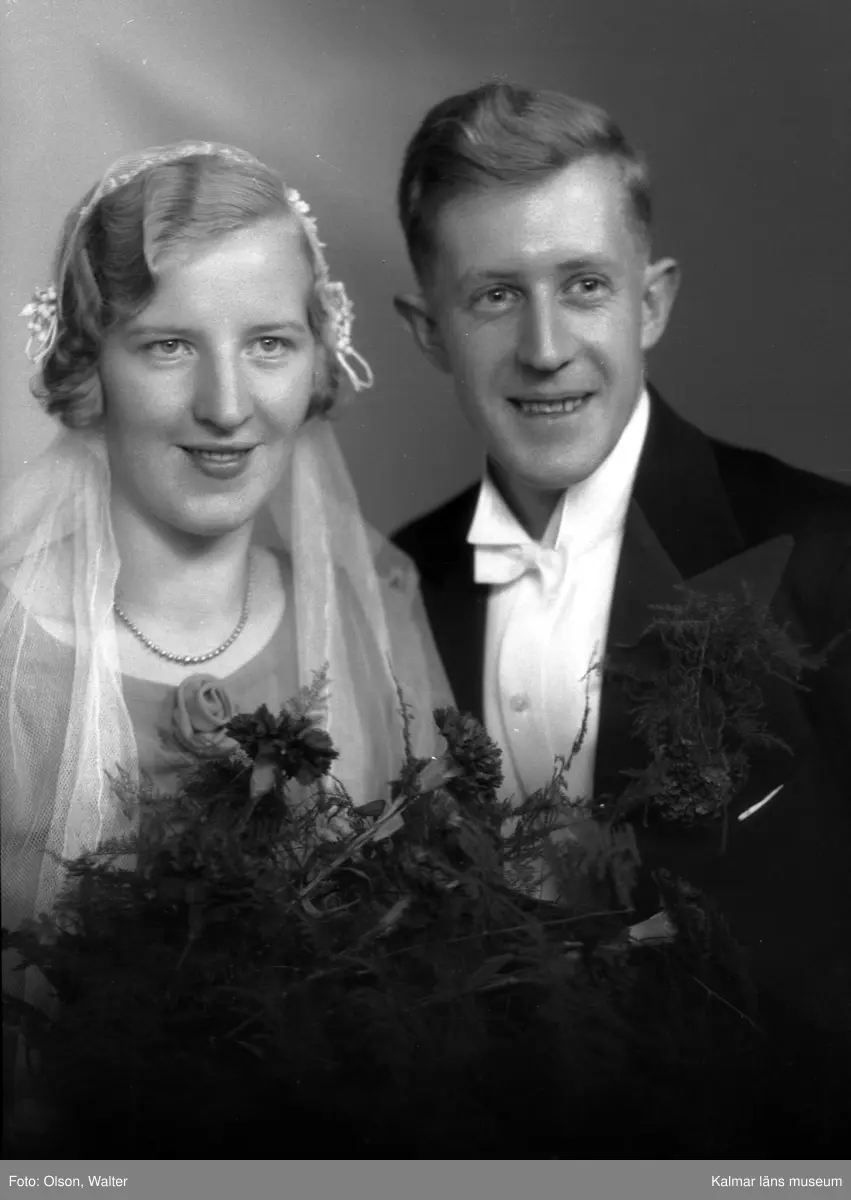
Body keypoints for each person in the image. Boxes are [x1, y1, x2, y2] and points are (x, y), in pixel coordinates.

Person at [391, 83, 851, 1049]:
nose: (544, 349)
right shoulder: (394, 584)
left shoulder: (825, 549)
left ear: (650, 302)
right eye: (494, 296)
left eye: (584, 286)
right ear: (428, 328)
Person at [0, 141, 453, 1040]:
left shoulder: (374, 610)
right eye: (168, 345)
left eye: (268, 344)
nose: (226, 404)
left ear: (315, 359)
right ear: (91, 363)